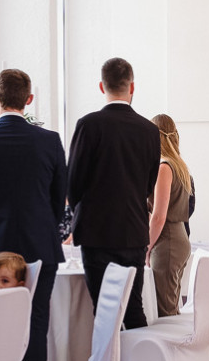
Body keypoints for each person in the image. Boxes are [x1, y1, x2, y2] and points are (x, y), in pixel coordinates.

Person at [0, 68, 67, 361]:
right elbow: (58, 197)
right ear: (29, 100)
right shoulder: (49, 140)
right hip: (40, 245)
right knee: (35, 319)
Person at [67, 56, 161, 328]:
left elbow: (74, 183)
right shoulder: (149, 130)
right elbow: (148, 184)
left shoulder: (89, 124)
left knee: (105, 310)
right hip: (133, 231)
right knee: (133, 308)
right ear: (132, 87)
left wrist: (81, 211)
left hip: (96, 233)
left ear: (101, 86)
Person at [148, 113, 194, 317]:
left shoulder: (164, 167)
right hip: (179, 237)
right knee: (171, 306)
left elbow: (159, 216)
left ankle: (172, 349)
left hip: (166, 240)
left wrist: (146, 248)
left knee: (164, 310)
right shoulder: (180, 165)